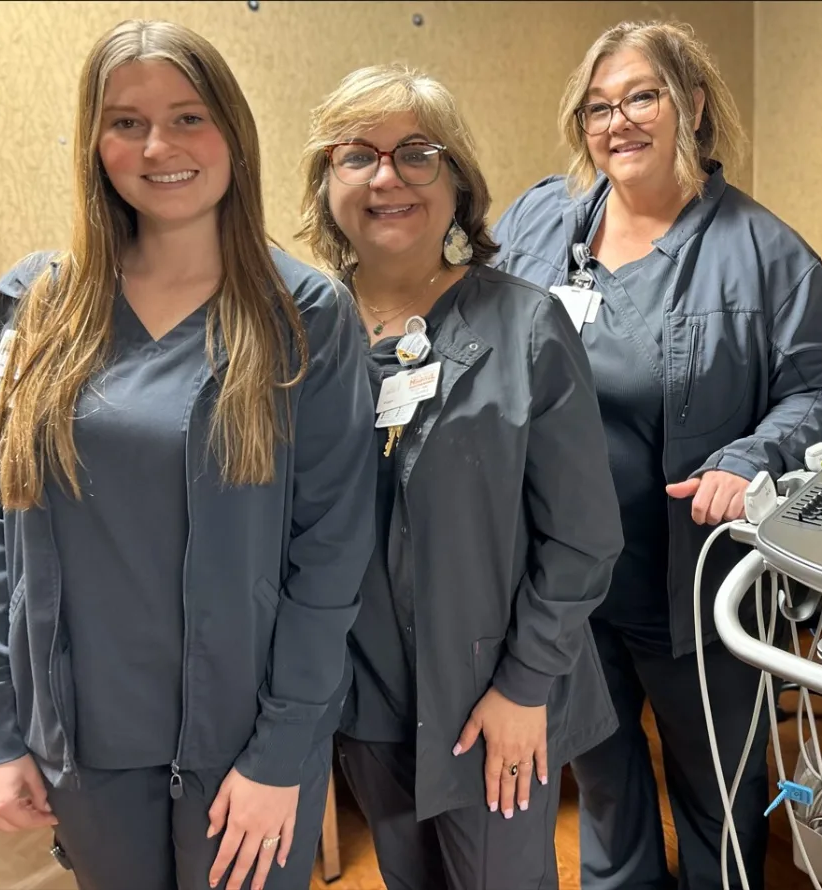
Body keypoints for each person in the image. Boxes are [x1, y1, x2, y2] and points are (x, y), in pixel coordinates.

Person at [0, 19, 375, 890]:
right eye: (126, 122)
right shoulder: (34, 306)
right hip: (83, 746)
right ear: (93, 143)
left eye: (188, 117)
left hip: (244, 745)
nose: (158, 146)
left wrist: (283, 750)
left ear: (233, 131)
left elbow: (331, 552)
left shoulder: (304, 315)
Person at [492, 19, 822, 890]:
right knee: (603, 778)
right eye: (598, 107)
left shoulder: (768, 256)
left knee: (718, 788)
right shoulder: (540, 222)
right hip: (562, 583)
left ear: (693, 105)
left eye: (642, 97)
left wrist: (753, 455)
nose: (617, 122)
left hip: (689, 581)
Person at [296, 64, 624, 889]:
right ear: (327, 183)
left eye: (417, 153)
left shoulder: (527, 326)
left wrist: (525, 688)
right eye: (357, 155)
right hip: (363, 694)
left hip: (496, 692)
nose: (387, 178)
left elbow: (583, 538)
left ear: (456, 182)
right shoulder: (300, 335)